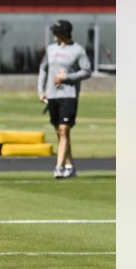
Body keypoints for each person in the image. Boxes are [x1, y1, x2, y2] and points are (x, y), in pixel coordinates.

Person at [38, 19, 92, 179]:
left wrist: (67, 77)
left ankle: (59, 167)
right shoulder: (50, 49)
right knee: (60, 132)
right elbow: (43, 69)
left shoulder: (78, 50)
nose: (53, 34)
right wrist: (41, 91)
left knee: (64, 130)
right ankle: (70, 166)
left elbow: (87, 71)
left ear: (64, 33)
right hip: (52, 95)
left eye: (56, 31)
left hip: (68, 95)